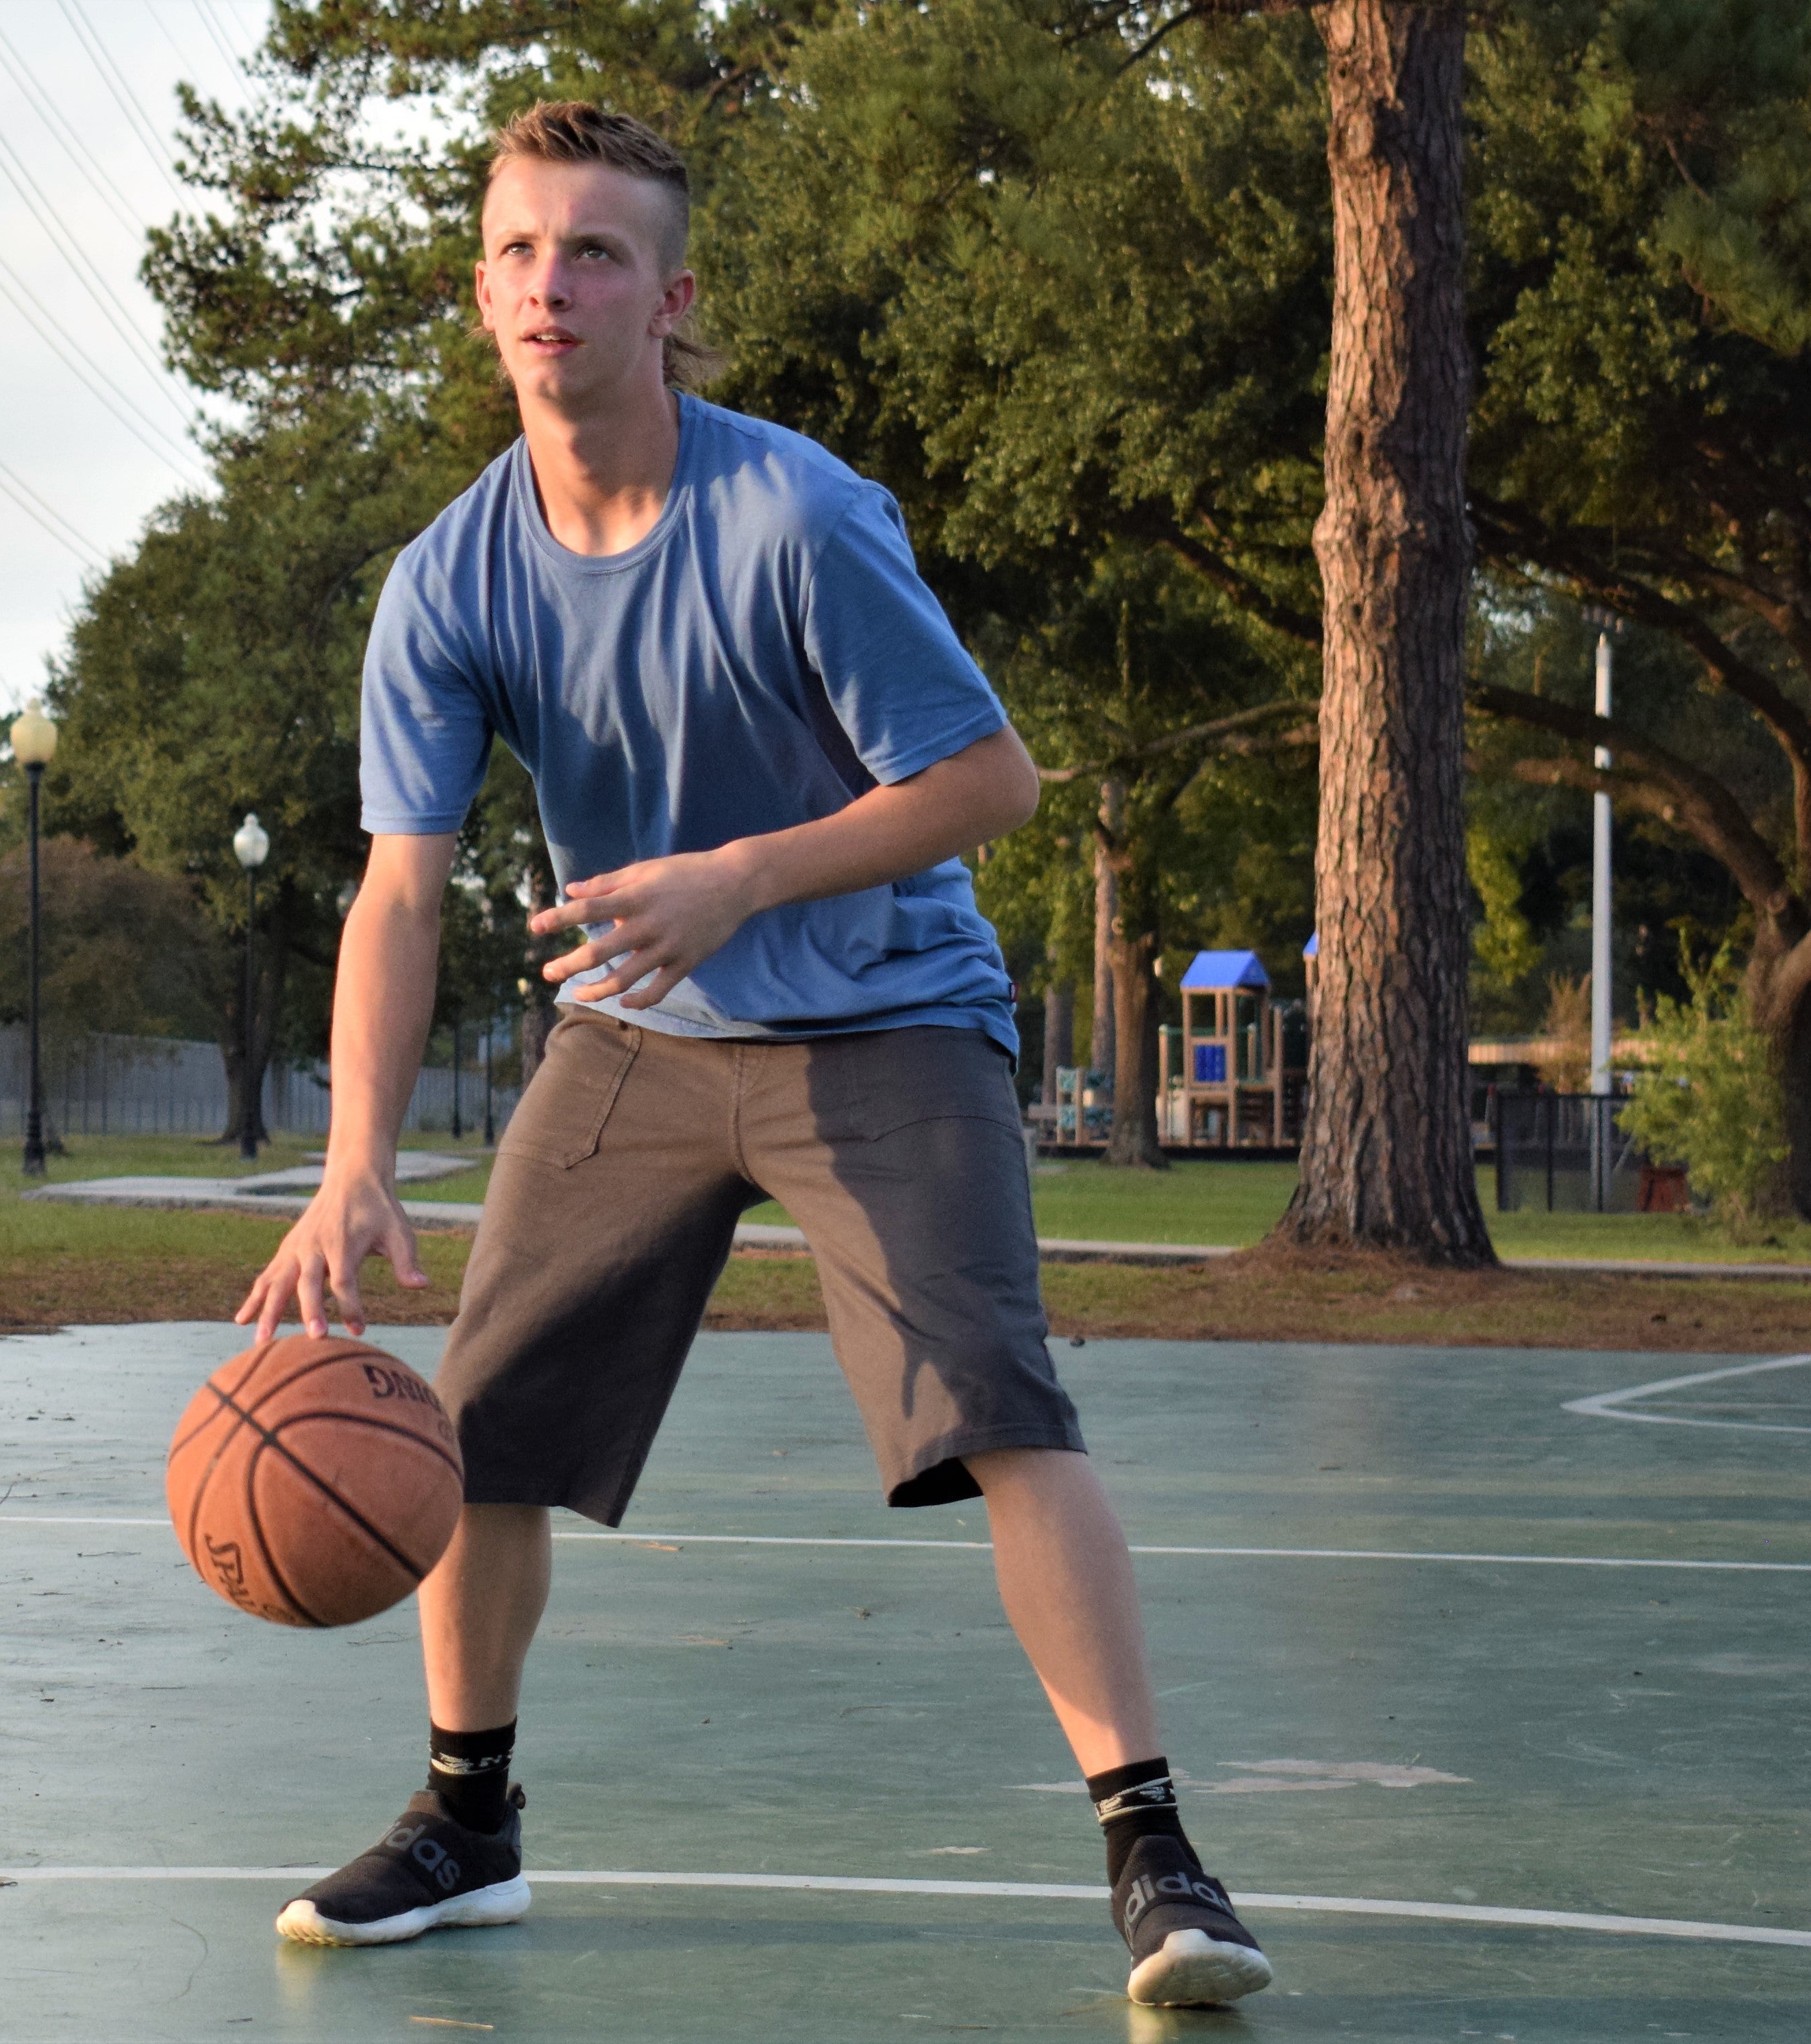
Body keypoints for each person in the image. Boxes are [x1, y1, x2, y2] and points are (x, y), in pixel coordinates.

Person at [234, 101, 1272, 2010]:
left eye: (598, 252)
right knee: (477, 1426)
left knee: (996, 1407)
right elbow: (398, 895)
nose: (555, 284)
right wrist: (355, 1155)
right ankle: (467, 1823)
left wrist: (739, 878)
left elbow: (990, 781)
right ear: (482, 291)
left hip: (883, 1013)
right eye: (522, 250)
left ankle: (1156, 1853)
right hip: (634, 1033)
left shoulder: (793, 514)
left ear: (670, 298)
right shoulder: (447, 581)